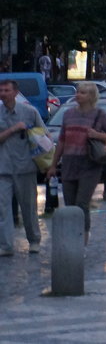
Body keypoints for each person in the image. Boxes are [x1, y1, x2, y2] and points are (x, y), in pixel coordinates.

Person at [45, 82, 106, 244]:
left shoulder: (100, 115)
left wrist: (97, 135)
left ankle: (83, 238)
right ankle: (72, 237)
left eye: (83, 93)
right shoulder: (68, 114)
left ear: (91, 96)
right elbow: (62, 141)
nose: (78, 95)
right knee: (70, 206)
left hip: (90, 165)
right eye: (78, 92)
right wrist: (53, 165)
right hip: (69, 163)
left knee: (81, 204)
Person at [0, 78, 43, 256]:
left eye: (6, 90)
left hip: (25, 167)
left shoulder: (29, 112)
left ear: (15, 93)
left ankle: (34, 240)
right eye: (1, 91)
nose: (3, 94)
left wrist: (47, 164)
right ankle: (6, 245)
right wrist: (13, 129)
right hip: (3, 168)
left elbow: (43, 136)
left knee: (28, 208)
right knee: (3, 209)